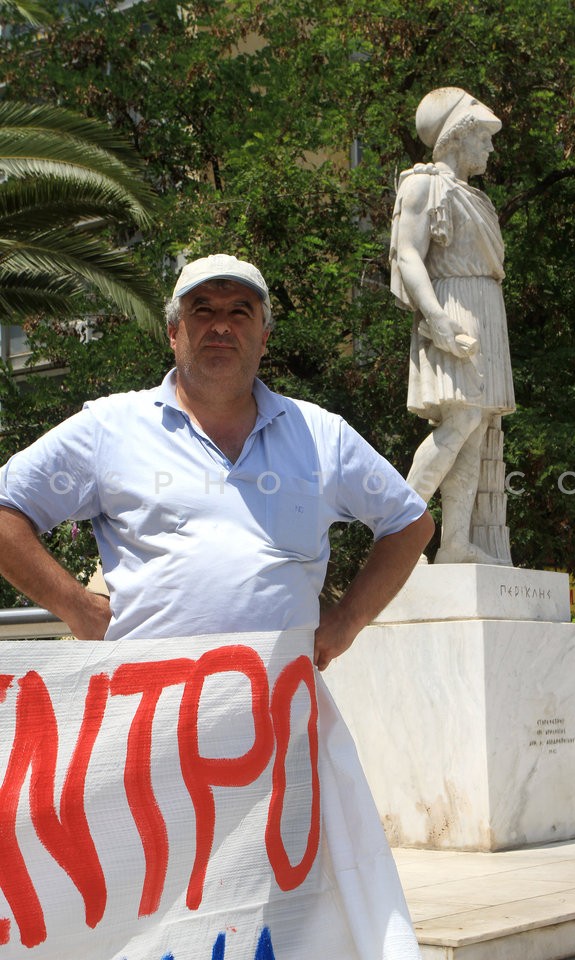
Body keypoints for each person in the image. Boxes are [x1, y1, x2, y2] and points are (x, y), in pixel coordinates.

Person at [0, 253, 432, 662]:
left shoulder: (320, 434)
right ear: (174, 333)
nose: (221, 326)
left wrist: (347, 621)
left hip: (282, 723)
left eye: (240, 312)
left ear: (263, 339)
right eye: (202, 310)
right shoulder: (110, 428)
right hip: (151, 721)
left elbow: (410, 522)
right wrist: (78, 608)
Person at [390, 87, 516, 564]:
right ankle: (396, 533)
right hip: (452, 301)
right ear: (458, 137)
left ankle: (456, 544)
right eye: (483, 137)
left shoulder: (476, 198)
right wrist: (437, 319)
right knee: (460, 416)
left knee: (477, 424)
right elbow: (407, 254)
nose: (489, 147)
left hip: (486, 304)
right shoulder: (424, 184)